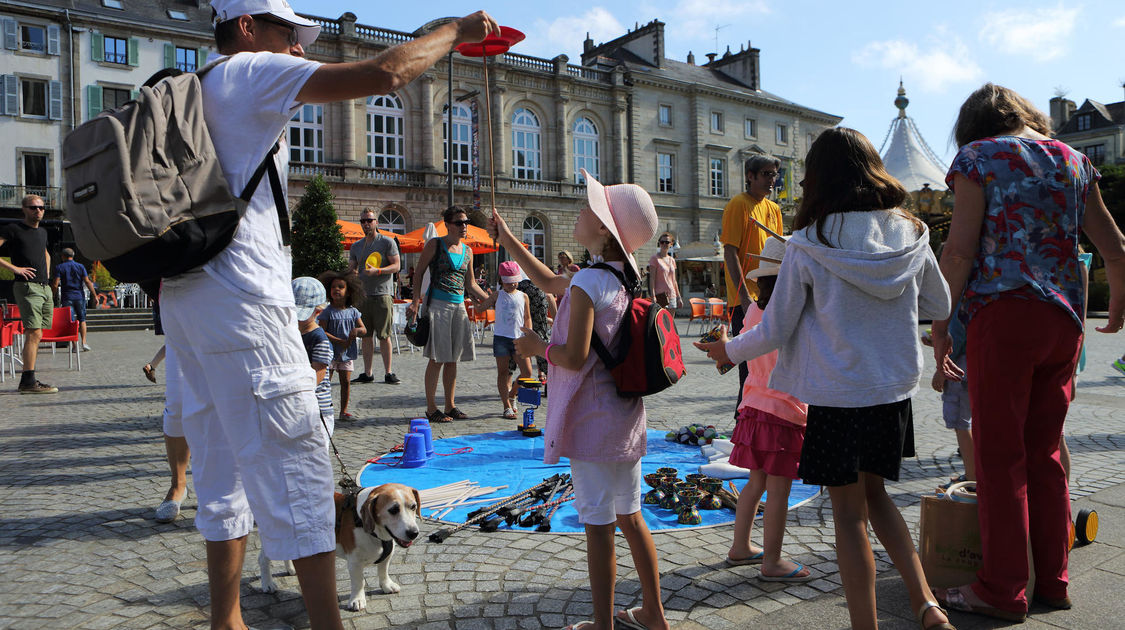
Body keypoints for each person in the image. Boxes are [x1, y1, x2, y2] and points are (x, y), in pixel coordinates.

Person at [158, 4, 498, 629]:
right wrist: (454, 32)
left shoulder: (195, 85)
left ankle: (226, 619)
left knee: (219, 473)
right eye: (291, 36)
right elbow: (388, 74)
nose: (297, 51)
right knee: (305, 480)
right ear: (249, 28)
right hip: (244, 304)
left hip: (185, 299)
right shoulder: (248, 71)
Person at [696, 128, 954, 630]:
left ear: (817, 178)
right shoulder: (910, 230)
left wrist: (727, 349)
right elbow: (939, 305)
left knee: (850, 516)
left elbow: (775, 326)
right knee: (876, 497)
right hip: (892, 391)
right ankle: (927, 605)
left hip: (837, 396)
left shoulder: (808, 243)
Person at [931, 83, 1125, 622]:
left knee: (1000, 457)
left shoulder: (978, 157)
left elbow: (961, 248)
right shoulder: (1075, 160)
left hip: (1003, 315)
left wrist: (942, 326)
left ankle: (1002, 589)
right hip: (1063, 320)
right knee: (1044, 453)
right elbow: (1115, 247)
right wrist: (1115, 308)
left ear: (974, 124)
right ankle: (1054, 582)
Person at [493, 168, 670, 630]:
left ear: (605, 230)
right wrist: (509, 238)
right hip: (626, 417)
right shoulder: (615, 275)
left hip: (593, 422)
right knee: (631, 518)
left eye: (590, 208)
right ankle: (654, 614)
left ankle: (603, 625)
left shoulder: (590, 282)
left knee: (598, 529)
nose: (581, 209)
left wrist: (537, 348)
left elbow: (571, 355)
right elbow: (552, 282)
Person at [722, 236, 812, 583]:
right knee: (779, 489)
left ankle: (740, 546)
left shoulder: (754, 312)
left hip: (753, 406)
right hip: (783, 410)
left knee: (754, 483)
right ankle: (772, 560)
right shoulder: (791, 315)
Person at [408, 206, 491, 424]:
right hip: (438, 305)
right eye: (459, 222)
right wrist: (416, 302)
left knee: (453, 358)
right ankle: (431, 407)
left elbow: (471, 283)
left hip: (459, 307)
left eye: (466, 223)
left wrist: (492, 299)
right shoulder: (435, 244)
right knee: (437, 358)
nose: (464, 226)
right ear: (448, 224)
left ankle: (450, 405)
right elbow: (418, 274)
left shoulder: (468, 250)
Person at [721, 155, 783, 412]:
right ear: (750, 175)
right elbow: (730, 252)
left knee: (772, 369)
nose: (772, 179)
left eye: (774, 174)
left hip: (772, 299)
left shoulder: (774, 209)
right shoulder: (739, 204)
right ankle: (743, 428)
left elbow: (780, 253)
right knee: (749, 373)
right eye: (766, 174)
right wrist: (744, 298)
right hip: (746, 302)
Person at [0, 195, 58, 394]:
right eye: (33, 208)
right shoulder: (13, 229)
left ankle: (29, 378)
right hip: (27, 287)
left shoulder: (42, 232)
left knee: (38, 333)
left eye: (41, 207)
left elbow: (45, 253)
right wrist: (15, 268)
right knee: (33, 332)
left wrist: (48, 275)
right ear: (23, 209)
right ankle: (27, 381)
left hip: (43, 287)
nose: (38, 211)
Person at [347, 208, 401, 385]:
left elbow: (396, 266)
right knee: (366, 336)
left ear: (376, 222)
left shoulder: (387, 242)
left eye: (369, 220)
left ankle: (388, 372)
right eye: (363, 221)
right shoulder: (356, 246)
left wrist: (378, 271)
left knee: (384, 335)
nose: (366, 224)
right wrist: (350, 274)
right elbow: (351, 268)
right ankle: (367, 373)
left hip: (382, 294)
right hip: (363, 296)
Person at [476, 260, 532, 419]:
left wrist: (529, 334)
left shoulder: (523, 296)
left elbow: (527, 317)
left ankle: (512, 394)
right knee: (503, 372)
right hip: (501, 338)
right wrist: (473, 298)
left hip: (519, 338)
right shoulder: (497, 295)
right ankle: (506, 406)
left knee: (527, 372)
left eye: (514, 282)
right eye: (508, 283)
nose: (512, 286)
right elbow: (481, 308)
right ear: (502, 282)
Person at [317, 271, 365, 421]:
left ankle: (343, 411)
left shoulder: (353, 312)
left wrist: (356, 331)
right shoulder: (327, 312)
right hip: (329, 352)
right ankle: (324, 408)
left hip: (346, 353)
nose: (336, 289)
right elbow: (322, 331)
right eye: (333, 287)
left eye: (340, 287)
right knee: (325, 381)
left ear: (348, 291)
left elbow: (364, 329)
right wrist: (339, 340)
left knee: (345, 382)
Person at [294, 277, 334, 437]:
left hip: (318, 409)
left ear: (318, 311)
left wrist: (298, 391)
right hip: (299, 406)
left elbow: (318, 374)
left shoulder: (319, 339)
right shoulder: (295, 333)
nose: (296, 319)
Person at [51, 248, 96, 351]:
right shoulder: (80, 266)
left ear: (62, 256)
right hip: (79, 296)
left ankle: (74, 345)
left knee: (71, 321)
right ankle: (84, 342)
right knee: (82, 320)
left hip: (67, 296)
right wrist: (94, 294)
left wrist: (52, 295)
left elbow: (55, 283)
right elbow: (87, 281)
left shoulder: (60, 267)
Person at [647, 233, 679, 309]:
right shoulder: (654, 259)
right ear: (659, 243)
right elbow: (652, 279)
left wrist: (679, 297)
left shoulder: (672, 260)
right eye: (662, 242)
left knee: (670, 320)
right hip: (660, 295)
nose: (664, 244)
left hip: (672, 295)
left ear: (671, 244)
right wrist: (653, 296)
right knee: (661, 320)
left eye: (667, 242)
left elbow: (674, 281)